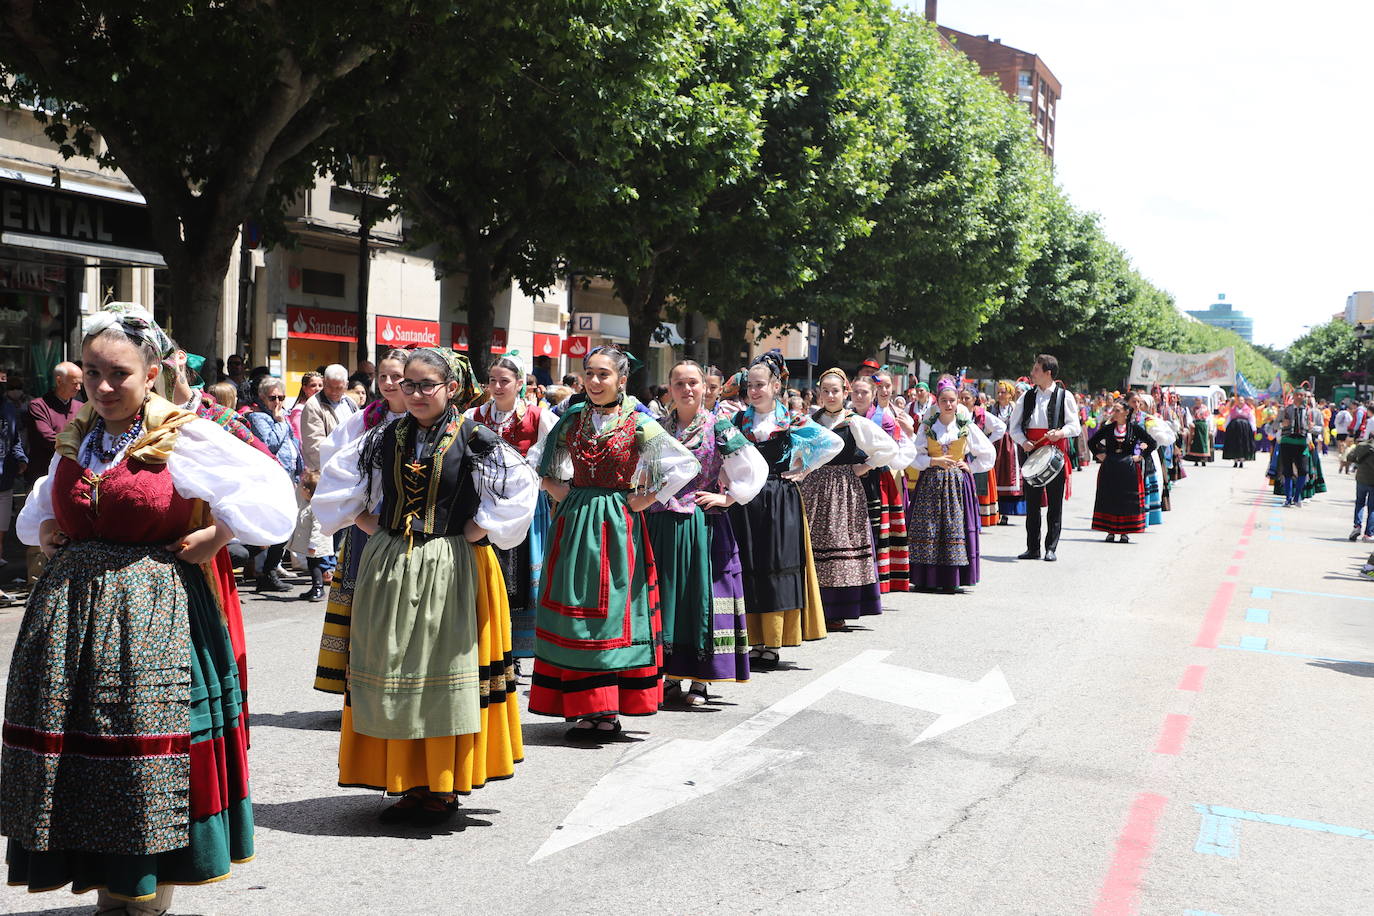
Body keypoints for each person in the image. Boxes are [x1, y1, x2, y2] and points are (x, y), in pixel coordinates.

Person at [3, 302, 294, 912]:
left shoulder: (182, 432)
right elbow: (41, 509)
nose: (103, 387)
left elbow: (271, 497)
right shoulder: (76, 435)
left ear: (153, 372)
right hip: (69, 614)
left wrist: (217, 535)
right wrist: (51, 528)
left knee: (143, 752)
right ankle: (102, 873)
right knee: (78, 750)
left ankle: (146, 890)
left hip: (153, 612)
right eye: (92, 373)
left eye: (120, 374)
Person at [313, 346, 536, 822]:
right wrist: (367, 521)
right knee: (393, 668)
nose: (413, 393)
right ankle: (405, 781)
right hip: (391, 563)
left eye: (425, 385)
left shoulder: (476, 438)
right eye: (406, 384)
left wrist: (479, 529)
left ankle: (441, 786)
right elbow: (335, 480)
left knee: (441, 673)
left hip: (452, 564)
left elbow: (521, 486)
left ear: (451, 389)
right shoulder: (383, 436)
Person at [529, 346, 699, 740]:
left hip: (617, 526)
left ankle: (605, 710)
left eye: (603, 374)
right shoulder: (571, 418)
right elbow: (542, 464)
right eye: (589, 373)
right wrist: (564, 495)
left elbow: (683, 464)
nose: (594, 381)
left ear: (622, 380)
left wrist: (647, 498)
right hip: (573, 524)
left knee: (610, 615)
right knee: (571, 611)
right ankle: (577, 705)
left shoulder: (640, 423)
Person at [650, 360, 767, 704]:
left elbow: (754, 467)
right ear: (669, 389)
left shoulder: (720, 427)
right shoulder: (657, 429)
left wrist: (727, 497)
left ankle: (702, 678)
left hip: (704, 524)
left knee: (700, 597)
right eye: (679, 383)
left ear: (705, 388)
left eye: (693, 383)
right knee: (669, 599)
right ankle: (671, 674)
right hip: (662, 524)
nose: (686, 389)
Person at [727, 349, 842, 670]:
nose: (753, 391)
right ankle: (753, 639)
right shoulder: (737, 419)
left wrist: (805, 466)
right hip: (746, 499)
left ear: (776, 386)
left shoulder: (791, 419)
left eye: (760, 385)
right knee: (748, 562)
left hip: (779, 497)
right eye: (750, 385)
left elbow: (834, 444)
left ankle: (774, 642)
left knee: (776, 564)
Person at [311, 349, 410, 693]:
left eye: (396, 376)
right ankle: (361, 683)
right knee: (364, 601)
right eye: (382, 376)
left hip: (413, 523)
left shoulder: (426, 417)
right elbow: (332, 460)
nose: (388, 383)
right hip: (370, 523)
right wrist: (359, 512)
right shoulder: (366, 419)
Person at [466, 352, 557, 665]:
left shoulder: (537, 416)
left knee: (521, 575)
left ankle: (519, 649)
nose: (497, 386)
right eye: (492, 380)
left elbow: (559, 451)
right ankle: (494, 643)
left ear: (521, 383)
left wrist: (543, 478)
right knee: (491, 571)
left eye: (504, 380)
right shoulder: (475, 416)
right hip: (484, 505)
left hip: (525, 508)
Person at [802, 369, 897, 625]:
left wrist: (865, 466)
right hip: (813, 488)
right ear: (819, 393)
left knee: (839, 541)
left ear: (845, 393)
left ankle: (837, 611)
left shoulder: (854, 421)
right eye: (825, 390)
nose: (830, 395)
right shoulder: (811, 421)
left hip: (843, 490)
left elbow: (889, 447)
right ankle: (814, 607)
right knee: (811, 542)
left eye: (835, 391)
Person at [908, 379, 995, 590]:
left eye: (952, 401)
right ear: (937, 402)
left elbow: (988, 453)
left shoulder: (965, 426)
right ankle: (927, 578)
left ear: (958, 402)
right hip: (931, 482)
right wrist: (933, 461)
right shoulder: (928, 427)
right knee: (928, 528)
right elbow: (913, 455)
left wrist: (970, 467)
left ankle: (952, 579)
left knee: (954, 527)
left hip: (956, 482)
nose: (948, 404)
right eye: (944, 400)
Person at [1008, 355, 1080, 562]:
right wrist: (1023, 442)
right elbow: (1014, 427)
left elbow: (1074, 425)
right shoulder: (1026, 397)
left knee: (1055, 505)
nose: (1032, 373)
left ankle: (1051, 547)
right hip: (1032, 454)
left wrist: (1060, 433)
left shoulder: (1065, 396)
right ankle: (1033, 548)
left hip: (1054, 455)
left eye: (1036, 369)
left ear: (1048, 372)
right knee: (1032, 506)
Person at [850, 373, 914, 592]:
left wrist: (868, 465)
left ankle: (877, 578)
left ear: (873, 394)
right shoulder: (848, 415)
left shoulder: (883, 417)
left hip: (877, 476)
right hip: (852, 476)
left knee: (875, 526)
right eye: (856, 392)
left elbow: (897, 449)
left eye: (864, 392)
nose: (859, 396)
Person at [244, 377, 304, 592]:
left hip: (288, 476)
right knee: (272, 525)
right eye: (273, 397)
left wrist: (300, 470)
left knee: (286, 523)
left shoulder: (282, 416)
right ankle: (265, 573)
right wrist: (279, 422)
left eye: (281, 397)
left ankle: (268, 571)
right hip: (270, 479)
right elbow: (271, 444)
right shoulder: (260, 417)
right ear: (262, 397)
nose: (278, 401)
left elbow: (293, 444)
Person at [24, 361, 81, 584]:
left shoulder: (81, 407)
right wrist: (78, 442)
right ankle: (36, 583)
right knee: (40, 530)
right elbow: (46, 437)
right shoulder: (38, 406)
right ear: (59, 381)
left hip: (72, 479)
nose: (79, 388)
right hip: (42, 478)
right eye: (75, 383)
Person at [1089, 400, 1154, 543]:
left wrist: (1140, 456)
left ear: (1126, 412)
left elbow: (1152, 443)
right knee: (1110, 497)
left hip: (1128, 468)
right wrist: (1099, 454)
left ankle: (1125, 532)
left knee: (1127, 499)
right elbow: (1091, 442)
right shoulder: (1108, 428)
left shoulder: (1134, 429)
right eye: (1114, 410)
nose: (1115, 413)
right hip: (1110, 467)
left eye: (1118, 410)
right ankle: (1110, 531)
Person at [300, 363, 357, 472]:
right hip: (326, 471)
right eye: (330, 387)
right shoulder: (313, 405)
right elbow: (315, 447)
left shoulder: (350, 403)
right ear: (324, 382)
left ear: (346, 385)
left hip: (351, 467)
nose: (334, 392)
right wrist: (338, 468)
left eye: (339, 388)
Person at [990, 380, 1025, 522]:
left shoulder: (1015, 408)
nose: (1000, 395)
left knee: (1010, 477)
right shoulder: (993, 408)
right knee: (996, 477)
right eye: (998, 392)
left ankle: (1007, 512)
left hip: (1011, 445)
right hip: (996, 444)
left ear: (1010, 395)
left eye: (1003, 392)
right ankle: (996, 510)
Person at [1349, 433, 1374, 541]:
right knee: (1372, 508)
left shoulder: (1362, 445)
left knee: (1359, 503)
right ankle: (1368, 534)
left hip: (1361, 479)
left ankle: (1357, 526)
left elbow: (1350, 457)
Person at [1222, 395, 1258, 468]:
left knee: (1243, 444)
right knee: (1234, 444)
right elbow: (1229, 418)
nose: (1240, 402)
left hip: (1245, 429)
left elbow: (1251, 419)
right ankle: (1235, 461)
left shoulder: (1248, 410)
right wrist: (1225, 426)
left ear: (1244, 402)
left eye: (1241, 400)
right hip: (1234, 429)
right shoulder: (1233, 410)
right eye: (1239, 400)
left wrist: (1253, 428)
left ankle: (1241, 461)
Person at [288, 371, 323, 440]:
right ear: (304, 388)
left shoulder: (324, 407)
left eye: (320, 385)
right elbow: (299, 438)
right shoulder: (299, 410)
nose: (317, 389)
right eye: (313, 385)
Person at [1184, 399, 1214, 466]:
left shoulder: (1205, 409)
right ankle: (1196, 460)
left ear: (1201, 401)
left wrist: (1210, 429)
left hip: (1203, 426)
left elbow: (1209, 418)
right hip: (1195, 426)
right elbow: (1191, 417)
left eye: (1198, 401)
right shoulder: (1193, 408)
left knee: (1203, 443)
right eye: (1196, 401)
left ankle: (1204, 460)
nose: (1197, 402)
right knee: (1195, 443)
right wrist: (1190, 423)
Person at [1335, 401, 1354, 473]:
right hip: (1346, 432)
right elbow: (1350, 422)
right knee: (1345, 450)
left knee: (1340, 450)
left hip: (1339, 432)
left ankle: (1341, 464)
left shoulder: (1338, 414)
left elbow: (1335, 422)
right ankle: (1343, 466)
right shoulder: (1348, 414)